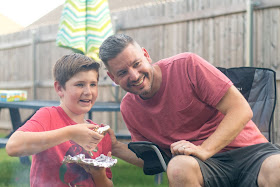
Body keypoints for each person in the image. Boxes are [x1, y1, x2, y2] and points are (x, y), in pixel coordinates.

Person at [99, 33, 280, 187]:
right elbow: (154, 159)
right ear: (112, 78)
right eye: (122, 73)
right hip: (201, 166)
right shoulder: (130, 108)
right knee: (178, 167)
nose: (134, 75)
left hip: (251, 153)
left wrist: (205, 149)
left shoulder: (186, 65)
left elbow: (241, 110)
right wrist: (115, 147)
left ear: (146, 55)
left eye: (136, 64)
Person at [6, 53, 113, 187]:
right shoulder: (48, 116)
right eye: (80, 84)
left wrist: (99, 174)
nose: (88, 92)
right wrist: (70, 133)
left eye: (93, 84)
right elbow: (13, 147)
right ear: (59, 88)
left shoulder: (99, 133)